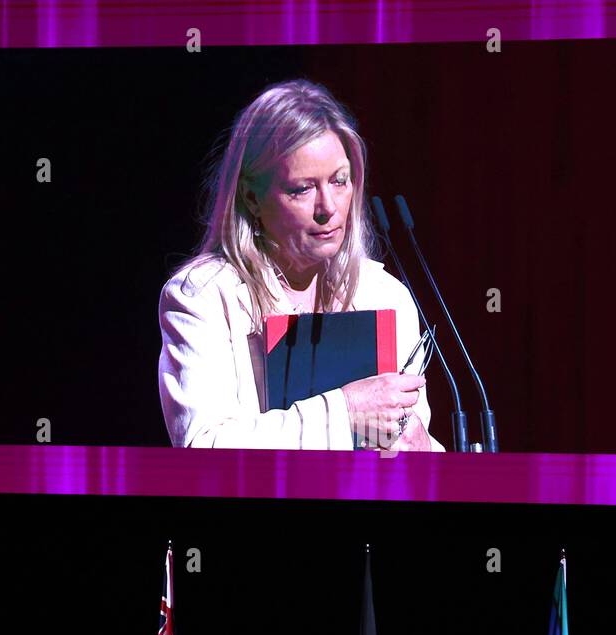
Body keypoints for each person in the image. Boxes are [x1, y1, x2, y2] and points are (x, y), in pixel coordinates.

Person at [158, 79, 444, 452]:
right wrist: (346, 412)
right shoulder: (204, 296)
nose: (329, 207)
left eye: (340, 181)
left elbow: (414, 440)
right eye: (302, 189)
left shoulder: (385, 294)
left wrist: (422, 450)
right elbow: (204, 446)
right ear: (251, 197)